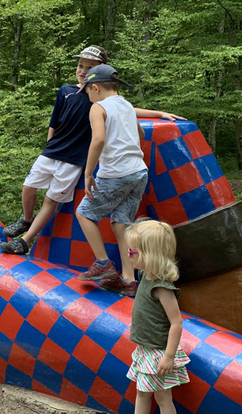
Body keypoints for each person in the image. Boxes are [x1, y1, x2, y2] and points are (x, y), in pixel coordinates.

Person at [0, 45, 183, 256]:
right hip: (52, 152)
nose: (82, 71)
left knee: (52, 200)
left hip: (74, 159)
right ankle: (26, 219)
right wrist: (48, 146)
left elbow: (127, 109)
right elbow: (54, 122)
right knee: (29, 186)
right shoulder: (66, 91)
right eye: (80, 66)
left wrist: (159, 113)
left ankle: (25, 241)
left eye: (89, 68)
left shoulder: (98, 98)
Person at [108, 219, 189, 414]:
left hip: (158, 352)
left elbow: (176, 323)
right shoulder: (145, 275)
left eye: (132, 252)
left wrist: (168, 356)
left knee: (164, 398)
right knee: (142, 393)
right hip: (145, 350)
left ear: (150, 256)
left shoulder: (162, 287)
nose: (128, 255)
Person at [74, 64, 148, 297]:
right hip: (139, 172)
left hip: (116, 173)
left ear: (95, 87)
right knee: (120, 223)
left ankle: (103, 262)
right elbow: (141, 135)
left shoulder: (98, 107)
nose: (88, 96)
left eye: (87, 92)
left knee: (84, 213)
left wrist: (88, 173)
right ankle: (128, 280)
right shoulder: (126, 105)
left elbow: (98, 141)